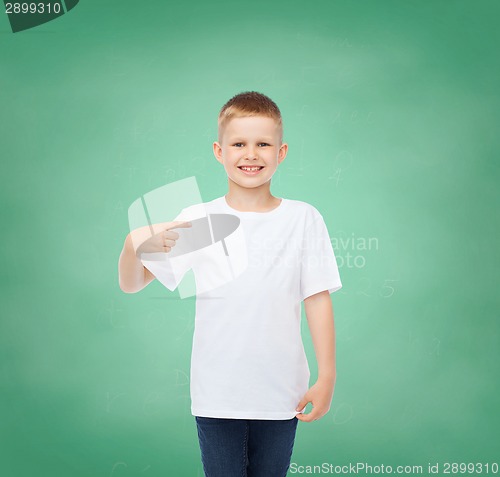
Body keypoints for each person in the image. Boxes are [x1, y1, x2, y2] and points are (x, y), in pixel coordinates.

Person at [118, 91, 343, 476]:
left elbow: (317, 298)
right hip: (216, 394)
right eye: (239, 144)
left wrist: (327, 375)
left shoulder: (303, 218)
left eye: (263, 144)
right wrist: (131, 244)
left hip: (281, 393)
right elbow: (133, 283)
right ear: (219, 151)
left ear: (281, 151)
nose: (250, 154)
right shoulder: (197, 219)